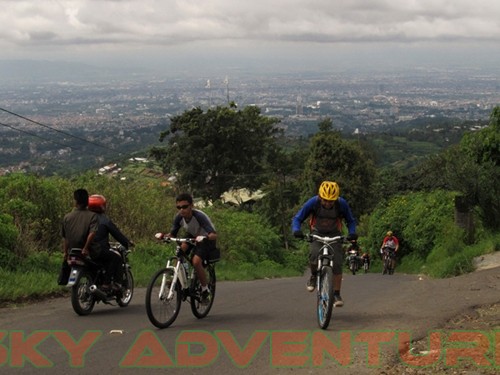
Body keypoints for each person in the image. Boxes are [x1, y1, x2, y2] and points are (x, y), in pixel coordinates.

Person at [291, 181, 357, 307]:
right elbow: (298, 218)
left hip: (335, 235)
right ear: (320, 197)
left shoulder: (341, 204)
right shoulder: (313, 202)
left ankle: (336, 293)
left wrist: (352, 233)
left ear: (336, 199)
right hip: (318, 233)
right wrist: (296, 230)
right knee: (314, 254)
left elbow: (351, 220)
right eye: (325, 200)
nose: (328, 203)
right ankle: (314, 276)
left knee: (337, 262)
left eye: (331, 201)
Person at [157, 193, 217, 305]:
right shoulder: (179, 217)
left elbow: (214, 234)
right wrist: (164, 236)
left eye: (185, 207)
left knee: (196, 261)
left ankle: (205, 290)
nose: (182, 210)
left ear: (191, 206)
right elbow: (173, 234)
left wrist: (205, 237)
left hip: (206, 239)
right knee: (180, 252)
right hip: (192, 236)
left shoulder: (199, 216)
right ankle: (178, 278)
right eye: (179, 207)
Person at [88, 194, 133, 291]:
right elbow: (117, 234)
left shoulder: (85, 217)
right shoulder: (104, 220)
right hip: (98, 250)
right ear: (102, 206)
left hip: (85, 250)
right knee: (116, 257)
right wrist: (127, 243)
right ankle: (108, 283)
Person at [62, 189, 99, 261]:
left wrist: (65, 252)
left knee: (64, 270)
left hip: (72, 253)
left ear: (75, 201)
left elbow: (65, 237)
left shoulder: (67, 217)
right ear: (87, 202)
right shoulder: (92, 216)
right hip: (89, 253)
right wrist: (85, 248)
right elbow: (92, 233)